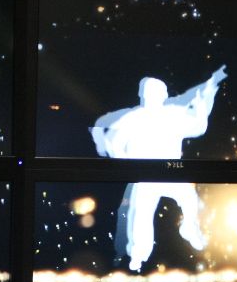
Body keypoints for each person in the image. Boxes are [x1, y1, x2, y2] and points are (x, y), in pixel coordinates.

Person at [90, 65, 227, 271]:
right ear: (143, 95)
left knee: (189, 199)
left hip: (172, 172)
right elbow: (111, 138)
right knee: (141, 214)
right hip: (146, 175)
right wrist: (121, 158)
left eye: (157, 93)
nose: (152, 97)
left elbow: (198, 126)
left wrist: (203, 103)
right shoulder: (134, 118)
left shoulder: (173, 115)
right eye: (149, 93)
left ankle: (189, 228)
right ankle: (138, 255)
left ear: (163, 95)